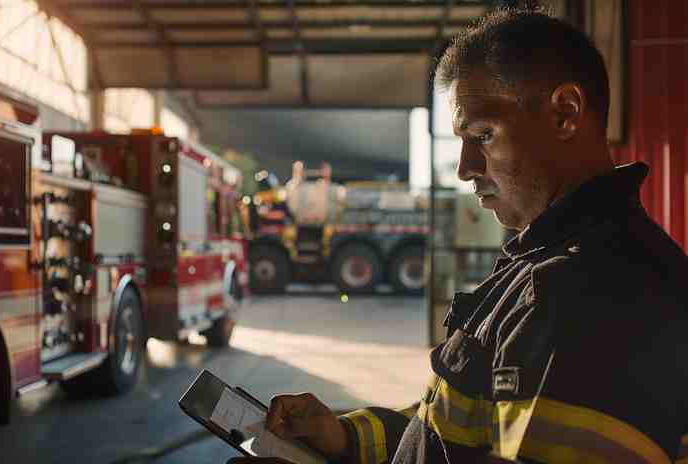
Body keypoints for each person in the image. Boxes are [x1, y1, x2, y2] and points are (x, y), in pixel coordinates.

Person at [228, 7, 688, 464]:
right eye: (461, 141)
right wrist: (346, 438)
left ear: (565, 114)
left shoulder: (590, 296)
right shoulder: (542, 263)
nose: (466, 167)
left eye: (483, 135)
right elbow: (459, 433)